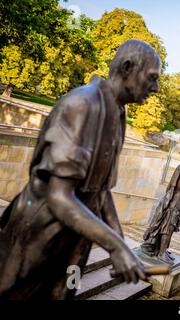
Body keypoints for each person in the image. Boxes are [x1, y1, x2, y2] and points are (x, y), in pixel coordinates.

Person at [0, 40, 162, 299]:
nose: (155, 88)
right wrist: (115, 246)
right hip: (37, 239)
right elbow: (58, 196)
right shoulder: (83, 104)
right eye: (152, 78)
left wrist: (121, 247)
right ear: (127, 67)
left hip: (73, 245)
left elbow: (101, 192)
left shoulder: (118, 113)